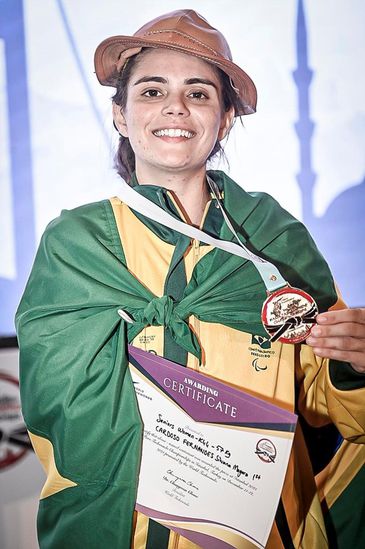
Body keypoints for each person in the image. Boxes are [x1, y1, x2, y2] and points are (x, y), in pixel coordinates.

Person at [16, 9, 365, 549]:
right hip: (123, 533)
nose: (175, 107)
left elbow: (320, 402)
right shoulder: (78, 244)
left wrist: (354, 367)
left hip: (265, 534)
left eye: (199, 94)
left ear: (224, 120)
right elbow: (55, 414)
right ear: (120, 114)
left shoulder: (274, 240)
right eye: (152, 92)